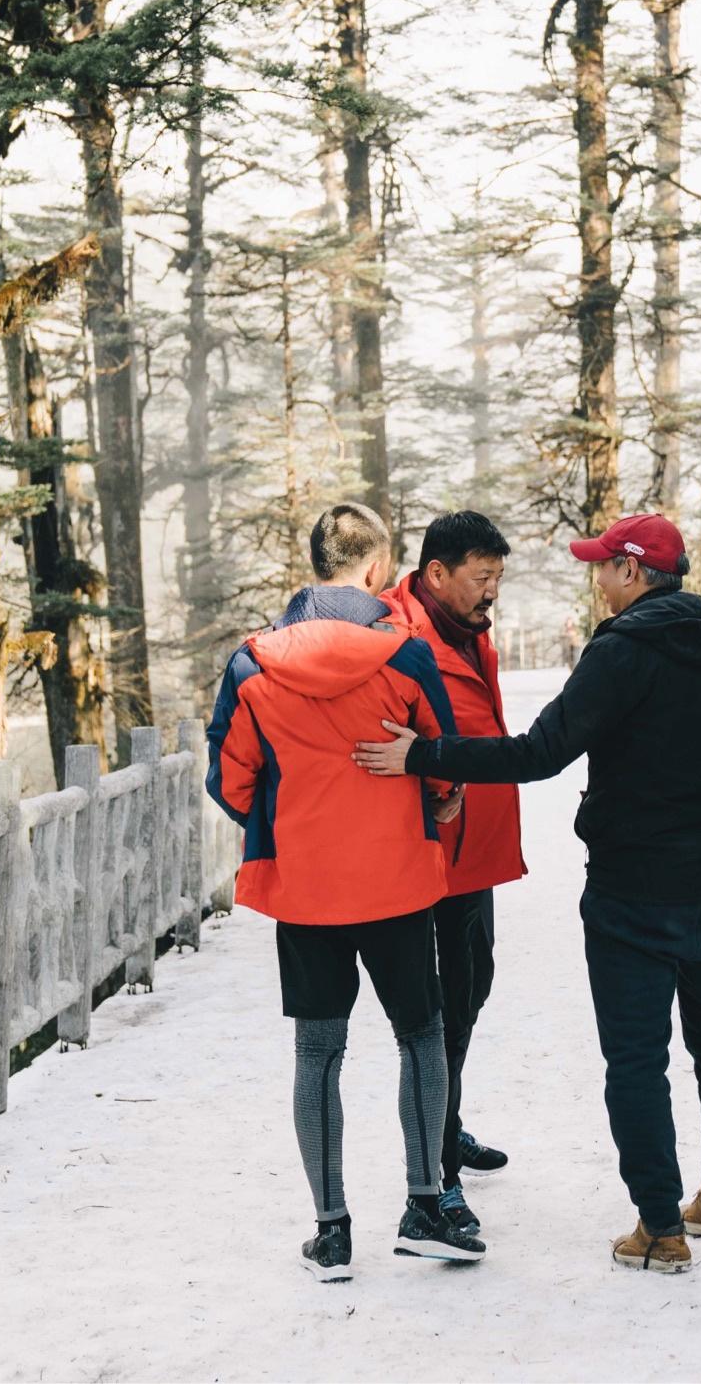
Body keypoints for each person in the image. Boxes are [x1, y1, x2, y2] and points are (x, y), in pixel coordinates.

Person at [355, 512, 701, 1275]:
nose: (598, 579)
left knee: (637, 1059)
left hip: (634, 892)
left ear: (633, 571)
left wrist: (425, 755)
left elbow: (539, 752)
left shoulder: (622, 651)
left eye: (605, 566)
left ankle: (660, 1228)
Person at [205, 502, 489, 1280]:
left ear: (315, 563)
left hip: (305, 889)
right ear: (377, 567)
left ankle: (331, 1233)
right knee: (421, 1037)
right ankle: (425, 1206)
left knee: (318, 1053)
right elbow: (439, 755)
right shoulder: (406, 655)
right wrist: (441, 798)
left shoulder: (252, 664)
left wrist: (289, 810)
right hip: (397, 882)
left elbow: (229, 780)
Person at [381, 510, 525, 1236]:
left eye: (498, 577)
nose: (491, 591)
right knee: (441, 1008)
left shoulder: (467, 628)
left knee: (474, 984)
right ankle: (437, 1170)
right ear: (436, 573)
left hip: (478, 847)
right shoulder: (398, 634)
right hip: (431, 847)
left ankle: (449, 1117)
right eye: (481, 577)